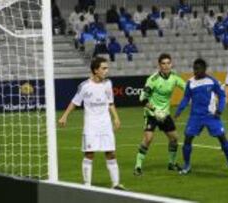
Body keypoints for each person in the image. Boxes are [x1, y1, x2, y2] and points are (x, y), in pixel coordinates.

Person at [58, 57, 125, 190]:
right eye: (104, 68)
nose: (107, 70)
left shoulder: (108, 84)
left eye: (107, 68)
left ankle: (116, 184)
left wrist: (116, 118)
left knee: (111, 152)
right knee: (89, 153)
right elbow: (75, 102)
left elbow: (110, 102)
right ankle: (87, 185)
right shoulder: (84, 86)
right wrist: (64, 116)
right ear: (95, 70)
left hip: (105, 124)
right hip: (91, 125)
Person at [174, 58, 228, 174]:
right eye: (194, 68)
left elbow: (222, 96)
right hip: (195, 116)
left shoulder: (212, 81)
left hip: (211, 116)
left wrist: (219, 110)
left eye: (197, 69)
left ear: (204, 69)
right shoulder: (190, 82)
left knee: (222, 138)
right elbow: (186, 98)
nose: (195, 71)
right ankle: (187, 165)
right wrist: (178, 111)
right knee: (187, 139)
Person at [133, 53, 186, 176]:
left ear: (171, 64)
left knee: (174, 138)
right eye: (163, 63)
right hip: (152, 113)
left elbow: (187, 88)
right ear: (159, 65)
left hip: (165, 114)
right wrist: (155, 110)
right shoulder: (153, 80)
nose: (166, 66)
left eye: (168, 63)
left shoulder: (175, 78)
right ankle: (138, 166)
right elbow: (142, 98)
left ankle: (171, 164)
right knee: (148, 139)